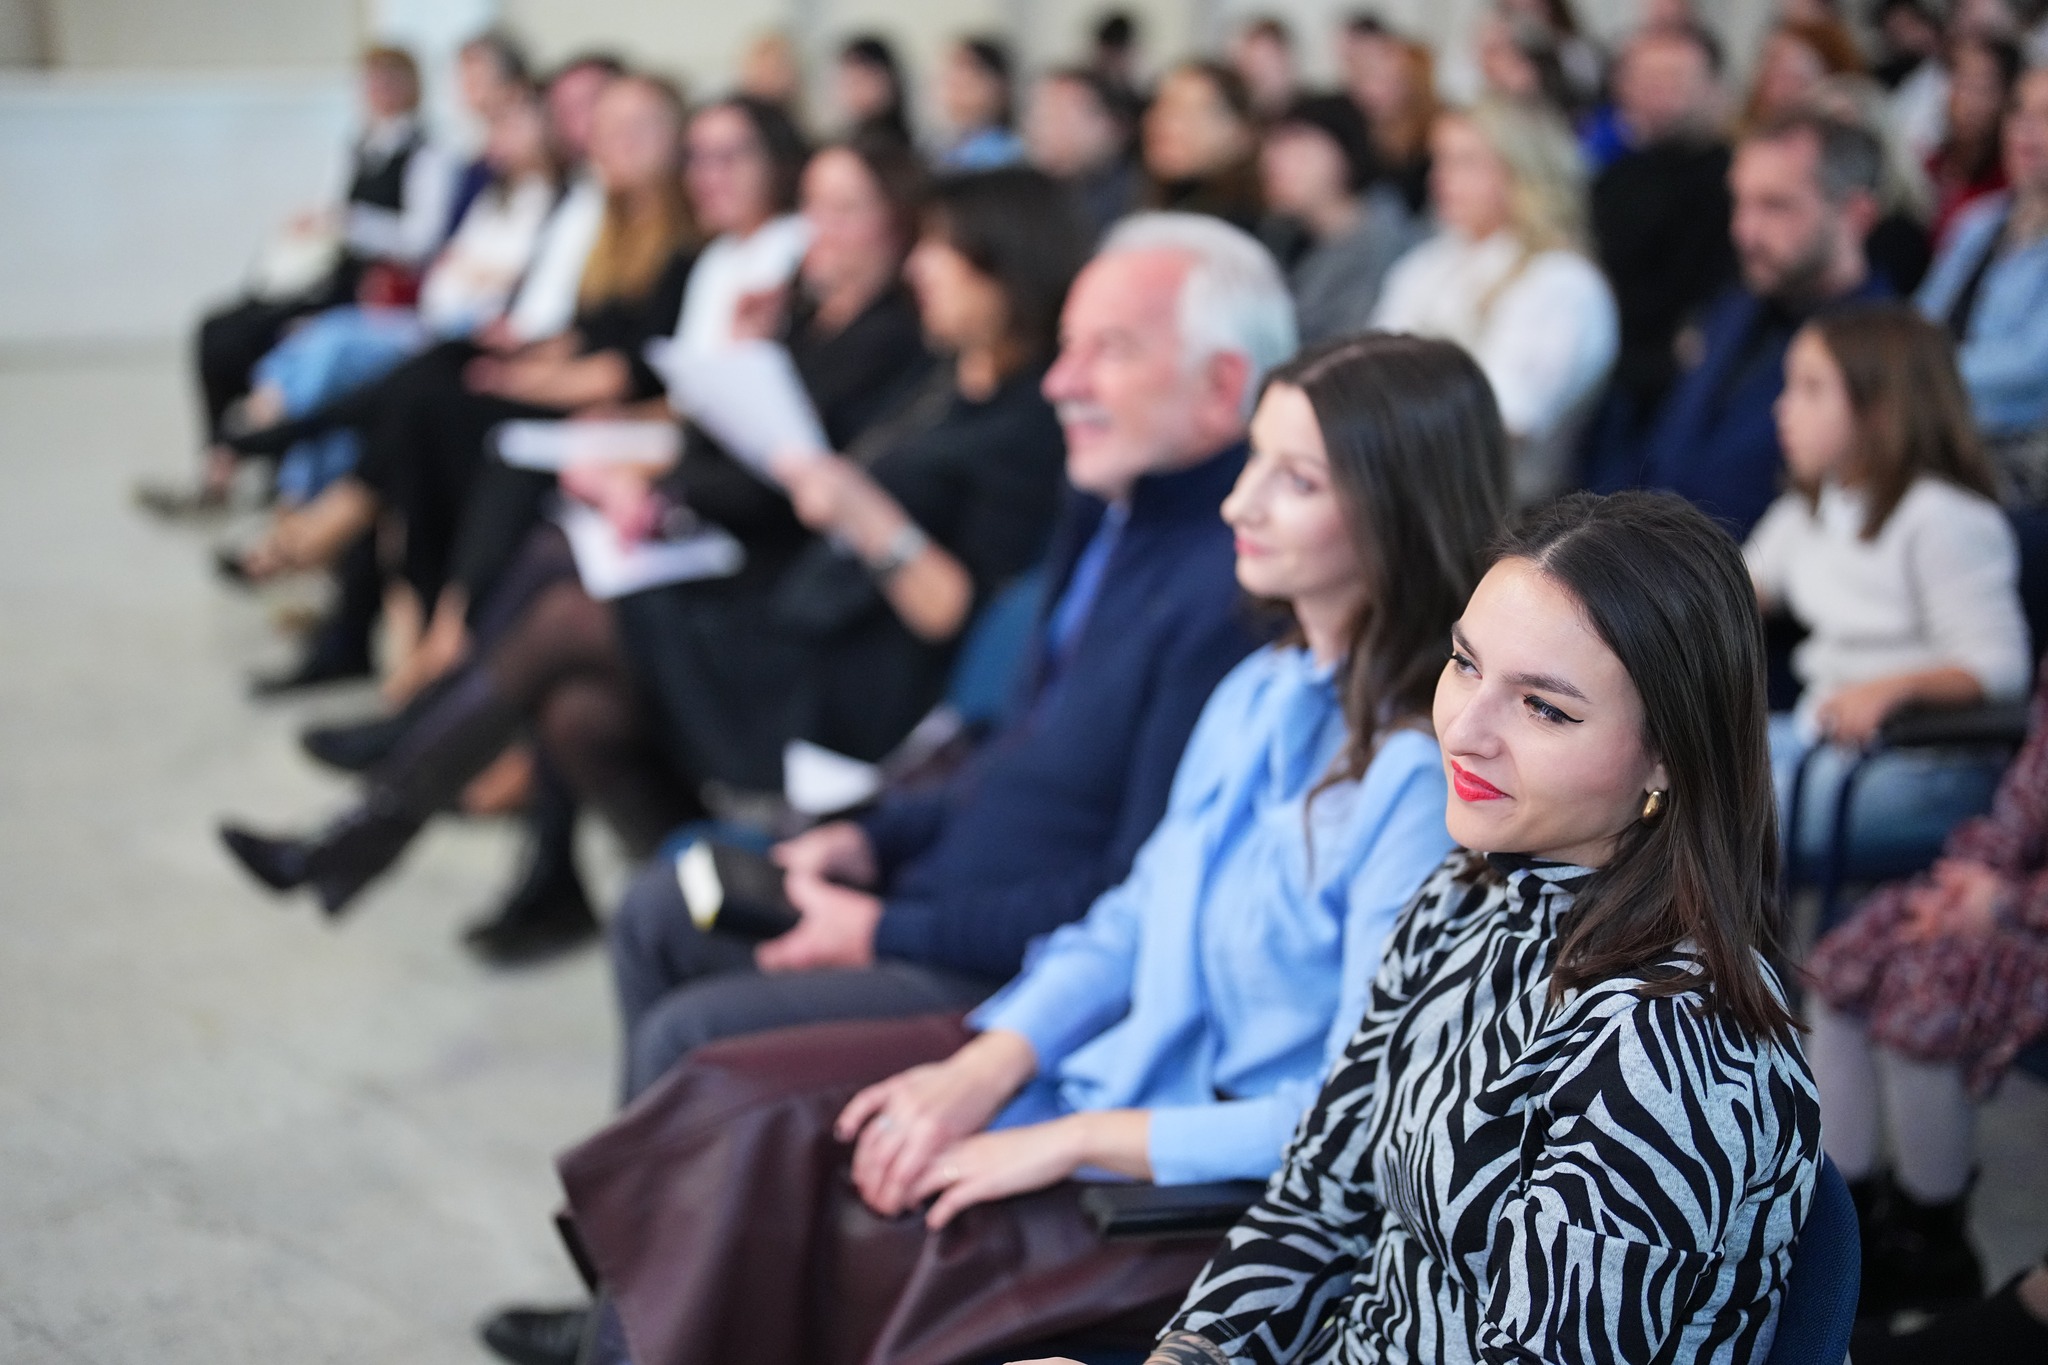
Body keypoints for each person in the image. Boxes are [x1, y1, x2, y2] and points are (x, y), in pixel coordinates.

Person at [554, 328, 1509, 1365]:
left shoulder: (1416, 783)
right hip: (1110, 1081)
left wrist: (1070, 1138)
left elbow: (1352, 1123)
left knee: (821, 1183)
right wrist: (992, 1062)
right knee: (742, 1113)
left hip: (1204, 1180)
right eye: (1251, 465)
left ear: (1397, 511)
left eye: (1295, 481)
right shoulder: (1261, 689)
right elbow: (1132, 916)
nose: (1238, 506)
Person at [478, 209, 1291, 1365]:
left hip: (1001, 962)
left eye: (1105, 350)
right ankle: (642, 1293)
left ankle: (656, 1323)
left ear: (1220, 388)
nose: (1058, 381)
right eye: (1063, 346)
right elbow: (1010, 756)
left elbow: (1125, 896)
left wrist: (883, 921)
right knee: (667, 909)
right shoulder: (1110, 509)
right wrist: (867, 838)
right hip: (944, 888)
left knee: (699, 1027)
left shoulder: (1225, 592)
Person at [216, 165, 1079, 931]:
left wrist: (858, 509)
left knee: (566, 613)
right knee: (574, 707)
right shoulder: (945, 375)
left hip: (849, 677)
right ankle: (706, 908)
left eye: (943, 253)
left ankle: (362, 833)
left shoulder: (1025, 423)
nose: (920, 267)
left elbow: (950, 607)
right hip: (804, 613)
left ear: (1008, 271)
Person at [1127, 490, 1820, 1365]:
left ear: (1667, 756)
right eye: (1464, 663)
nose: (1464, 730)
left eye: (1544, 708)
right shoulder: (1464, 899)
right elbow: (1316, 1203)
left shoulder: (1672, 1043)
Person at [1806, 655, 2048, 1333]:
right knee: (1847, 963)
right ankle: (1843, 1220)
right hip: (2003, 890)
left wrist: (2009, 901)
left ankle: (1931, 1237)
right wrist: (1974, 876)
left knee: (1928, 988)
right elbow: (2030, 790)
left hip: (2033, 912)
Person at [1750, 304, 2029, 883]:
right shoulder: (1809, 508)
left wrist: (1891, 690)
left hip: (1923, 768)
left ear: (1880, 409)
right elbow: (1729, 592)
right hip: (1824, 744)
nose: (1783, 408)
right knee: (1666, 778)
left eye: (1810, 389)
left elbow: (2001, 667)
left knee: (1712, 822)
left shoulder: (1945, 519)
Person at [146, 46, 455, 517]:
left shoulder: (427, 154)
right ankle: (227, 460)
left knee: (274, 339)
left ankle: (252, 464)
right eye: (369, 79)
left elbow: (420, 238)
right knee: (219, 330)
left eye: (386, 79)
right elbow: (332, 207)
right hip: (331, 273)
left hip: (374, 285)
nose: (375, 90)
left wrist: (352, 222)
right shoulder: (357, 145)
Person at [1616, 110, 1891, 537]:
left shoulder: (1884, 356)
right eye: (1740, 203)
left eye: (1775, 206)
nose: (1744, 231)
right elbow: (1664, 449)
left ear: (1856, 214)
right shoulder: (1736, 304)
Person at [1371, 97, 1617, 505]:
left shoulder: (1561, 281)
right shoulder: (1429, 261)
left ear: (1523, 170)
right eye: (1440, 160)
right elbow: (1368, 370)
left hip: (1502, 512)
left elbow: (1501, 424)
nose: (1441, 179)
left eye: (1466, 162)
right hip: (1402, 483)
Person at [1579, 22, 1737, 468]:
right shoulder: (1613, 174)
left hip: (1659, 389)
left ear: (1714, 89)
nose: (1655, 93)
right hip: (1596, 360)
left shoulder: (1734, 185)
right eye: (1643, 79)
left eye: (1673, 80)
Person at [1919, 65, 2048, 498]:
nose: (2029, 129)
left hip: (2018, 453)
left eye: (2047, 115)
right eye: (2020, 112)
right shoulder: (1978, 222)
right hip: (1939, 424)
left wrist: (1920, 370)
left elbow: (2033, 367)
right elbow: (1922, 319)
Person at [1256, 95, 1422, 343]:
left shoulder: (1379, 247)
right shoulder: (1284, 236)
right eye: (1274, 148)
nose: (1275, 164)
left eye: (1297, 149)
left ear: (1344, 154)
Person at [1141, 62, 1263, 232]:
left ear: (1241, 134)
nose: (1164, 123)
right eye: (1162, 106)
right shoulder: (1149, 209)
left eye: (1190, 112)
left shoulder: (1257, 230)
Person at [1927, 34, 2023, 247]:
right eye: (1959, 82)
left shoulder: (2011, 180)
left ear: (2007, 98)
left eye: (1981, 87)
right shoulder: (1932, 164)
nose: (1966, 100)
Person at [1025, 68, 1140, 240]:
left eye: (1061, 115)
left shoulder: (1139, 195)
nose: (1043, 128)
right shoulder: (1026, 193)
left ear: (1116, 125)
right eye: (1040, 115)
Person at [1339, 16, 1436, 214]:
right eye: (1361, 79)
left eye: (1377, 79)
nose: (1366, 91)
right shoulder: (1355, 129)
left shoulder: (1432, 133)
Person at [934, 37, 1025, 171]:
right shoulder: (943, 150)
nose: (953, 94)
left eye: (965, 84)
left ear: (998, 85)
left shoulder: (1009, 154)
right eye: (949, 82)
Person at [837, 35, 912, 147]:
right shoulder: (842, 146)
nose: (854, 90)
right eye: (849, 81)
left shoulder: (915, 149)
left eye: (862, 79)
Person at [1230, 16, 1299, 122]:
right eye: (1252, 63)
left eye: (1267, 61)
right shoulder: (1239, 120)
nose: (1258, 74)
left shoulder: (1319, 115)